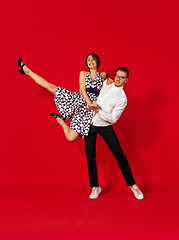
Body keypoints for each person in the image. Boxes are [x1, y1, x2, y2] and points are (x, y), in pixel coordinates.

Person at [85, 67, 144, 200]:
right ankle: (95, 187)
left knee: (119, 155)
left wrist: (98, 110)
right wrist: (107, 78)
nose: (118, 79)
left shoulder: (122, 98)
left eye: (121, 77)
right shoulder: (107, 82)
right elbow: (96, 76)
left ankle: (133, 186)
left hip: (105, 126)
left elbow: (113, 119)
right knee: (90, 156)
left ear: (126, 80)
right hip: (91, 123)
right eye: (117, 76)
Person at [17, 53, 107, 141]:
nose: (90, 61)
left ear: (97, 61)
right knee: (51, 87)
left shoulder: (103, 75)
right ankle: (27, 70)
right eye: (88, 60)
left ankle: (60, 119)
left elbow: (108, 89)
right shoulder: (83, 73)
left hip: (91, 108)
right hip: (82, 101)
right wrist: (90, 104)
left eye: (92, 59)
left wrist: (110, 80)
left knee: (70, 137)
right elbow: (83, 91)